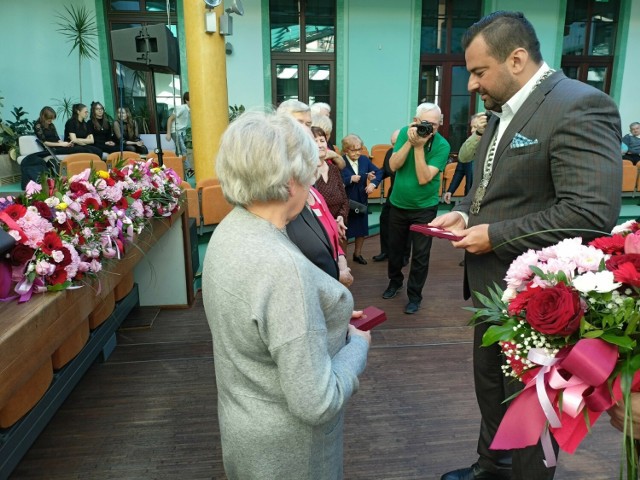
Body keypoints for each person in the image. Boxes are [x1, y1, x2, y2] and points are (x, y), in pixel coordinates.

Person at [429, 11, 622, 480]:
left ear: (516, 59)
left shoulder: (580, 105)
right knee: (492, 389)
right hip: (492, 291)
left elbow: (590, 211)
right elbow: (506, 191)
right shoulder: (505, 110)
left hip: (542, 300)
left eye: (479, 72)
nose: (472, 85)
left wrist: (494, 234)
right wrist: (468, 215)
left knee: (531, 410)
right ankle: (491, 466)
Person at [202, 111, 370, 479]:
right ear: (292, 180)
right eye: (310, 174)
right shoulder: (282, 267)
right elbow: (317, 401)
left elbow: (258, 326)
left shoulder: (230, 230)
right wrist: (358, 344)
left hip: (244, 428)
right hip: (291, 454)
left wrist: (321, 316)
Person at [381, 103, 450, 314]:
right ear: (415, 120)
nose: (430, 129)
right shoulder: (404, 133)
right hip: (398, 203)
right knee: (395, 249)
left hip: (424, 207)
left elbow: (423, 178)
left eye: (435, 125)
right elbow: (393, 166)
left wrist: (419, 147)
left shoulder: (442, 145)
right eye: (426, 124)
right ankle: (395, 282)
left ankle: (414, 296)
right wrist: (410, 143)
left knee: (421, 255)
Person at [287, 126, 353, 287]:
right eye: (313, 142)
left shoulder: (332, 171)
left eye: (322, 141)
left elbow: (344, 198)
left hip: (336, 229)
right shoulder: (295, 205)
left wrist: (340, 218)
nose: (319, 145)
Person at [341, 133, 383, 265]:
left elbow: (379, 172)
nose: (358, 153)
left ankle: (357, 254)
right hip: (346, 202)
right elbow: (335, 181)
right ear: (346, 150)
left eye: (359, 149)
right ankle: (343, 259)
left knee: (361, 230)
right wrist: (349, 179)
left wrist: (373, 183)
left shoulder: (364, 160)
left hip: (361, 201)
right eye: (354, 150)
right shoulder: (340, 162)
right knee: (345, 232)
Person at [372, 129, 410, 266]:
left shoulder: (409, 154)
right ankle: (385, 251)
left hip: (406, 196)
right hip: (392, 193)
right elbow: (385, 171)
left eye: (396, 143)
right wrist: (374, 181)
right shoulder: (390, 153)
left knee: (406, 226)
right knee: (384, 219)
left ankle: (405, 255)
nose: (394, 147)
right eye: (392, 143)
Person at [443, 112, 488, 204]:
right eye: (471, 127)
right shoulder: (468, 146)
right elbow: (460, 170)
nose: (472, 130)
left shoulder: (491, 145)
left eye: (476, 127)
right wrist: (450, 190)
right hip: (469, 196)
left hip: (487, 198)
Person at [165, 92, 192, 172]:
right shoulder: (181, 108)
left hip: (182, 132)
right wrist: (168, 134)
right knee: (182, 150)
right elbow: (170, 119)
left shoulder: (189, 109)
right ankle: (189, 169)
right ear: (187, 101)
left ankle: (179, 169)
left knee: (179, 151)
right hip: (176, 132)